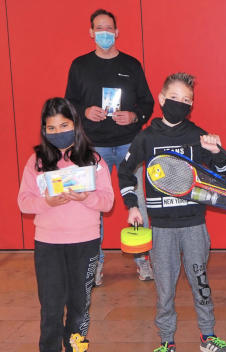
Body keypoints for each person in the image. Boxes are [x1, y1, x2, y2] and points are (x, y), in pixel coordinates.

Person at [118, 72, 226, 352]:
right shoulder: (146, 137)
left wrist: (218, 152)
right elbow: (124, 171)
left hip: (194, 224)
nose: (181, 104)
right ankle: (166, 342)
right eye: (176, 98)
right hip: (161, 229)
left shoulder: (197, 135)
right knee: (165, 288)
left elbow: (224, 175)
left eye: (187, 100)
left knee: (201, 282)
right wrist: (132, 206)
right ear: (161, 99)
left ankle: (208, 336)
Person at [17, 98, 114, 352]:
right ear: (44, 131)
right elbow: (23, 202)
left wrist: (86, 197)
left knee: (79, 306)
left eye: (64, 125)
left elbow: (108, 202)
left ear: (76, 126)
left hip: (85, 244)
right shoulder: (36, 163)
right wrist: (46, 201)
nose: (58, 131)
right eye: (51, 127)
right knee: (51, 305)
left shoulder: (94, 162)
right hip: (48, 245)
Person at [65, 9, 155, 285]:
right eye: (99, 28)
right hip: (93, 147)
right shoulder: (80, 66)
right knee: (93, 207)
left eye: (109, 29)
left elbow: (148, 103)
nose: (104, 33)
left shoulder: (131, 65)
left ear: (117, 32)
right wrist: (84, 111)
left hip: (130, 144)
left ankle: (143, 260)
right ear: (91, 32)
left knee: (138, 201)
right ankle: (96, 264)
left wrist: (134, 116)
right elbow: (68, 105)